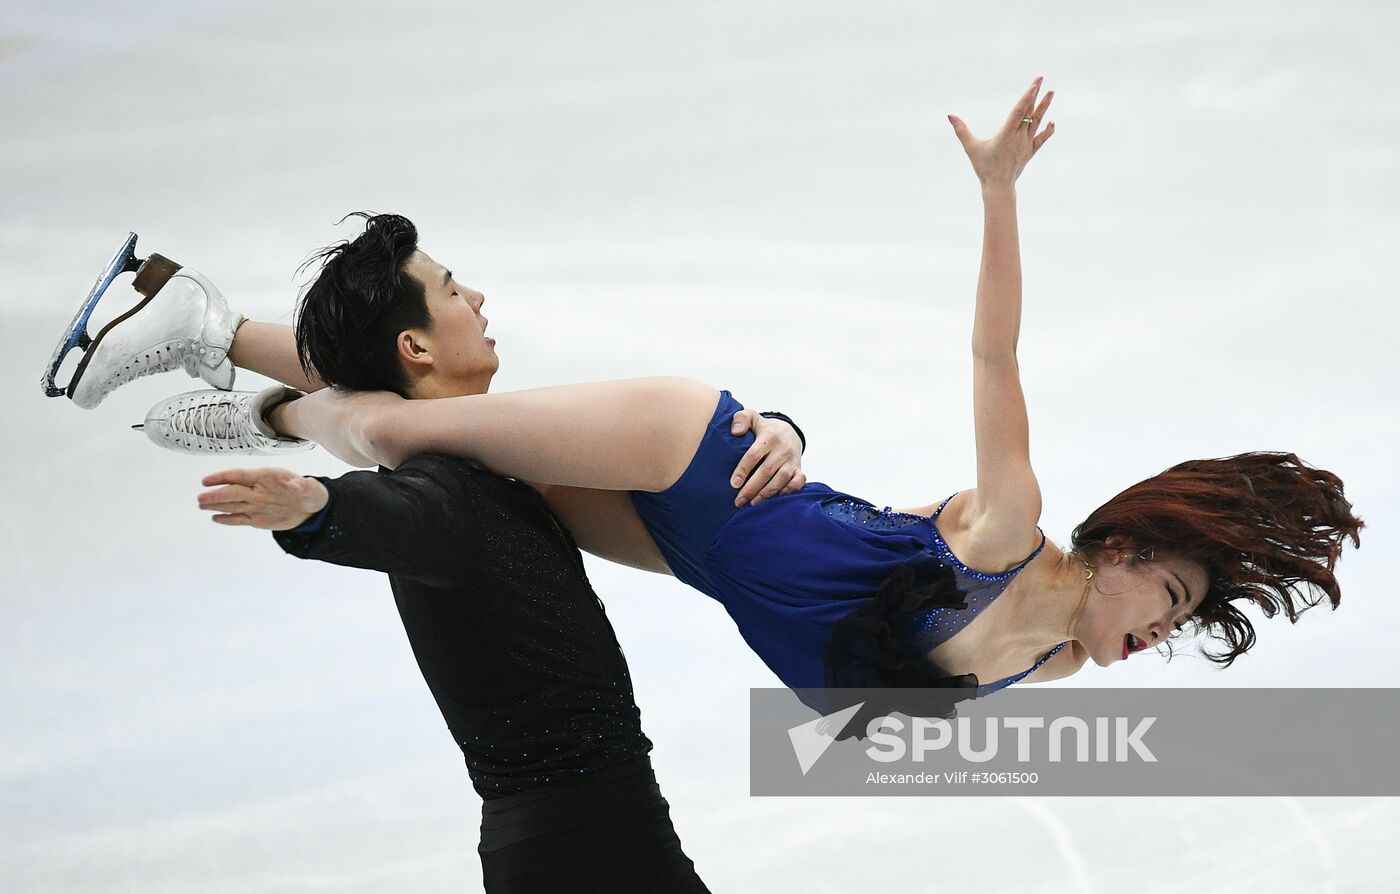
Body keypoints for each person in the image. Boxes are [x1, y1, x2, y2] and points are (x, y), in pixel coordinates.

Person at [55, 77, 1365, 731]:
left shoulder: (1063, 652)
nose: (1164, 633)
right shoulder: (1015, 525)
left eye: (1189, 617)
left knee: (449, 457)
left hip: (697, 544)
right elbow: (992, 359)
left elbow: (866, 531)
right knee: (401, 428)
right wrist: (1001, 194)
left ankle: (200, 323)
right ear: (1125, 549)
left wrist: (795, 435)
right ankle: (237, 376)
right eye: (1175, 600)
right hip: (684, 447)